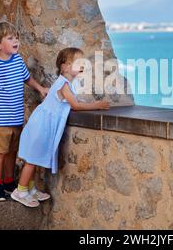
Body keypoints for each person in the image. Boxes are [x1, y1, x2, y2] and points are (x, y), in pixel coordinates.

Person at [11, 47, 110, 207]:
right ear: (65, 67)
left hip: (44, 124)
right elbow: (75, 106)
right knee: (32, 159)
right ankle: (20, 191)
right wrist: (96, 105)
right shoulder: (63, 84)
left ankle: (30, 188)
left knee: (35, 158)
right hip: (41, 125)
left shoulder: (68, 84)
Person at [0, 21, 49, 202]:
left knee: (12, 152)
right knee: (0, 152)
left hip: (16, 117)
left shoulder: (17, 60)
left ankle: (9, 182)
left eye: (16, 37)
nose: (16, 40)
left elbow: (27, 79)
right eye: (10, 38)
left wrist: (40, 88)